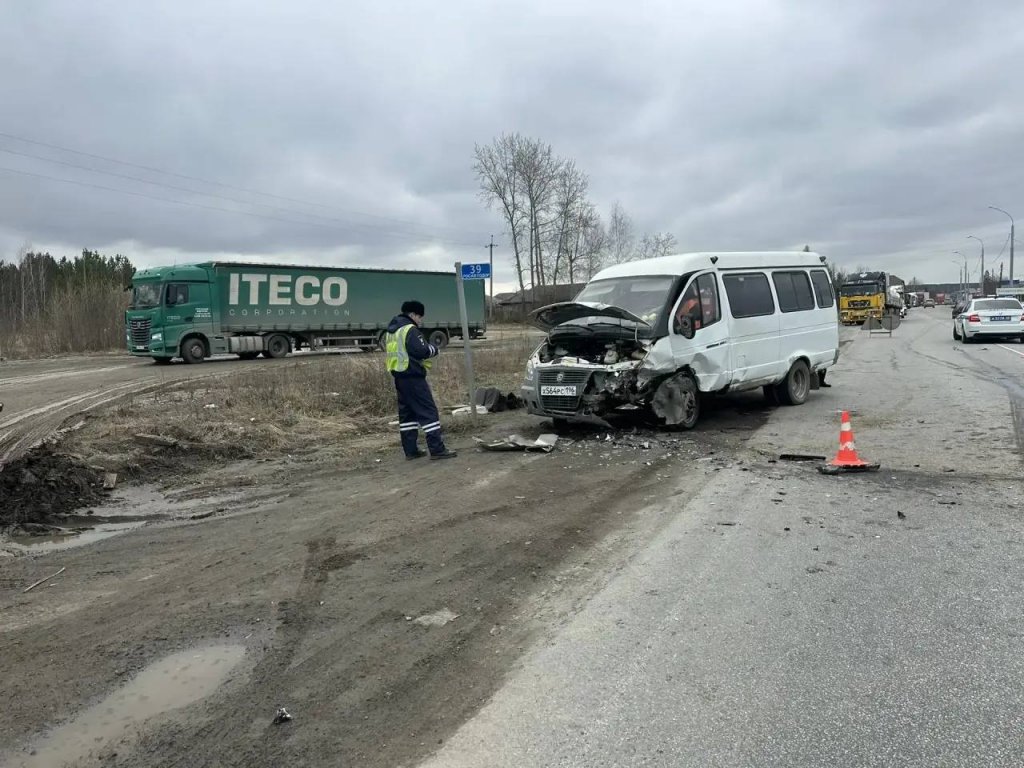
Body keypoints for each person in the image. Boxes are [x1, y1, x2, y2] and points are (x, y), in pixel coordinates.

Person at [384, 301, 457, 460]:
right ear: (412, 315)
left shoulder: (392, 330)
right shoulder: (410, 329)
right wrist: (434, 349)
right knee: (428, 412)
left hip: (399, 377)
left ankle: (411, 451)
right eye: (419, 316)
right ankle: (437, 449)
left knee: (407, 416)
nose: (420, 320)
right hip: (413, 378)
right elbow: (421, 350)